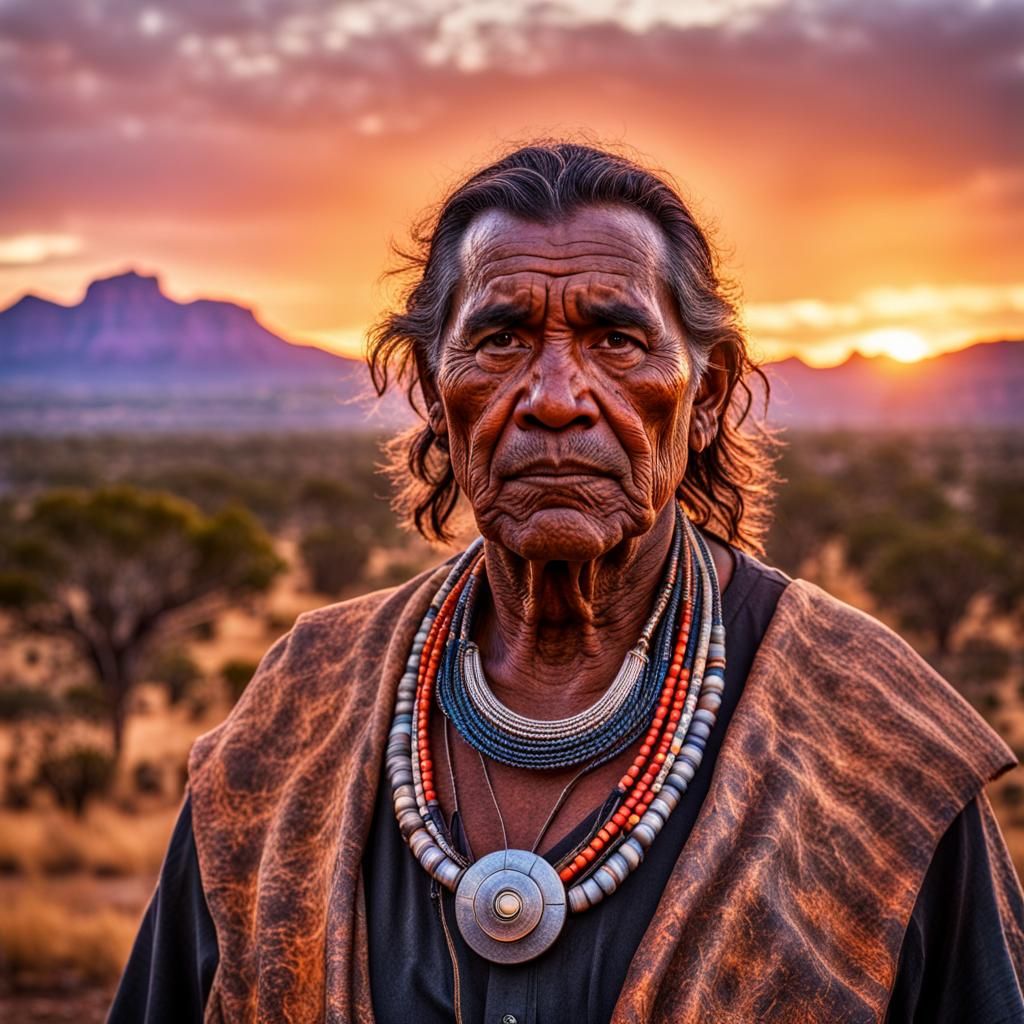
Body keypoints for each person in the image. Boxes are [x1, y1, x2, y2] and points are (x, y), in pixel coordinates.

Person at [110, 141, 1024, 1023]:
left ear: (705, 397)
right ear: (435, 391)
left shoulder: (872, 735)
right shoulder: (296, 716)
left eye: (618, 340)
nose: (554, 395)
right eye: (501, 339)